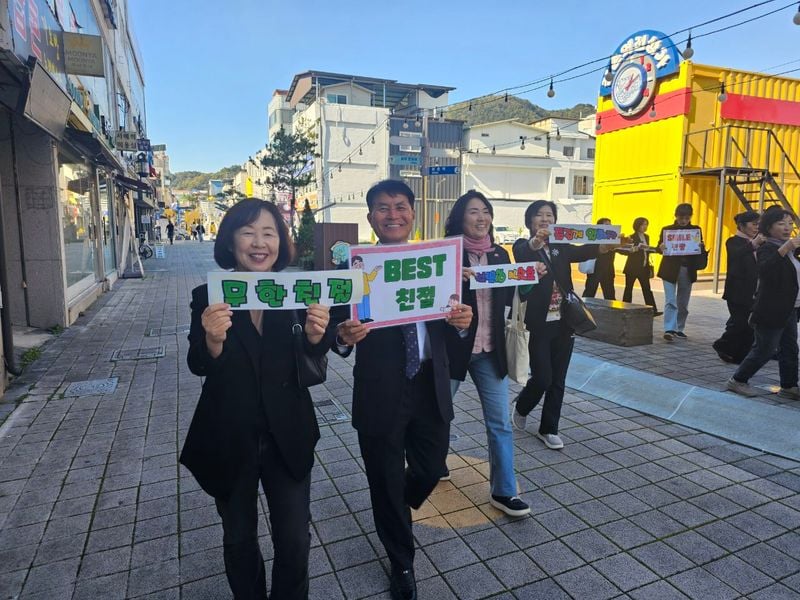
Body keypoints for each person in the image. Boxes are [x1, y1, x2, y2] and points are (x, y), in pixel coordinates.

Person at [180, 198, 334, 600]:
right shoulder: (208, 296)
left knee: (295, 540)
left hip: (289, 434)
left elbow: (317, 353)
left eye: (269, 233)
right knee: (238, 538)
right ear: (231, 243)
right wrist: (212, 339)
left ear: (281, 243)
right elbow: (198, 363)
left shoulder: (298, 292)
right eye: (247, 233)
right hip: (230, 436)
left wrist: (319, 337)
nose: (259, 242)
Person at [335, 180, 473, 600]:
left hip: (430, 385)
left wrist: (463, 323)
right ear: (370, 217)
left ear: (413, 213)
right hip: (379, 392)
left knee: (430, 468)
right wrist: (344, 336)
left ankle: (398, 505)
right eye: (382, 208)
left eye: (399, 206)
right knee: (384, 481)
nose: (392, 214)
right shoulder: (354, 270)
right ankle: (402, 564)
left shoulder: (437, 262)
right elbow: (335, 338)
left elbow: (457, 328)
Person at [443, 191, 530, 517]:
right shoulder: (446, 254)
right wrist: (453, 276)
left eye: (485, 212)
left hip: (490, 351)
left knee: (500, 424)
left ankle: (504, 492)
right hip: (453, 350)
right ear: (460, 218)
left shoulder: (499, 256)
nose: (481, 218)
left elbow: (511, 296)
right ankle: (435, 461)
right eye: (473, 212)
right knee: (438, 415)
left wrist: (531, 280)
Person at [511, 199, 609, 450]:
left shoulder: (561, 245)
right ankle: (521, 406)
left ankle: (549, 429)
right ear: (530, 220)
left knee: (559, 379)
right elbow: (525, 251)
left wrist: (606, 246)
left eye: (549, 215)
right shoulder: (523, 245)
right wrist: (536, 242)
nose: (545, 219)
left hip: (565, 321)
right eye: (539, 215)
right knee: (542, 377)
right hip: (537, 323)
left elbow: (582, 252)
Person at [726, 208, 800, 399]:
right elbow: (766, 271)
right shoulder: (768, 247)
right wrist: (786, 249)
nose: (787, 228)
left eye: (790, 223)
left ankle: (789, 386)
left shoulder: (792, 248)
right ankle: (738, 380)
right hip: (771, 309)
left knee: (790, 348)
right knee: (765, 348)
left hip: (790, 308)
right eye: (781, 224)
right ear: (769, 227)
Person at [713, 211, 764, 363]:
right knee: (740, 322)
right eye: (754, 224)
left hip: (754, 291)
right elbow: (736, 256)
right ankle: (722, 345)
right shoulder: (733, 241)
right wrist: (754, 244)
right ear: (742, 226)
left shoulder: (758, 243)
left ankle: (739, 355)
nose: (757, 228)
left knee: (749, 325)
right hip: (737, 291)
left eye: (758, 224)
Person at [658, 203, 707, 342]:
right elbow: (659, 247)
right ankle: (669, 328)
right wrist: (660, 247)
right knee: (670, 300)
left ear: (690, 217)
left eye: (686, 218)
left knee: (683, 302)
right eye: (681, 218)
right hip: (669, 269)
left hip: (687, 268)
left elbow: (699, 246)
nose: (683, 221)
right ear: (676, 216)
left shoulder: (695, 230)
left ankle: (679, 328)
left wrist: (700, 247)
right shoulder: (667, 230)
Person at [620, 217, 661, 315]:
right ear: (637, 225)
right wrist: (633, 249)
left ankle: (653, 310)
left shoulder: (646, 237)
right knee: (628, 288)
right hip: (632, 267)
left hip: (644, 267)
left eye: (646, 224)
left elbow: (648, 249)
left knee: (647, 289)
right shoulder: (631, 237)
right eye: (643, 224)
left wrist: (656, 250)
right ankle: (625, 308)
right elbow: (625, 250)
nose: (645, 227)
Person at [582, 217, 616, 300]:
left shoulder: (613, 237)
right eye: (607, 224)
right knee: (589, 292)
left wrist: (630, 250)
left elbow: (620, 249)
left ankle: (612, 311)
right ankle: (583, 310)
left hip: (608, 270)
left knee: (610, 295)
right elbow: (586, 250)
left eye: (610, 224)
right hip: (595, 270)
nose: (610, 226)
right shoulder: (593, 237)